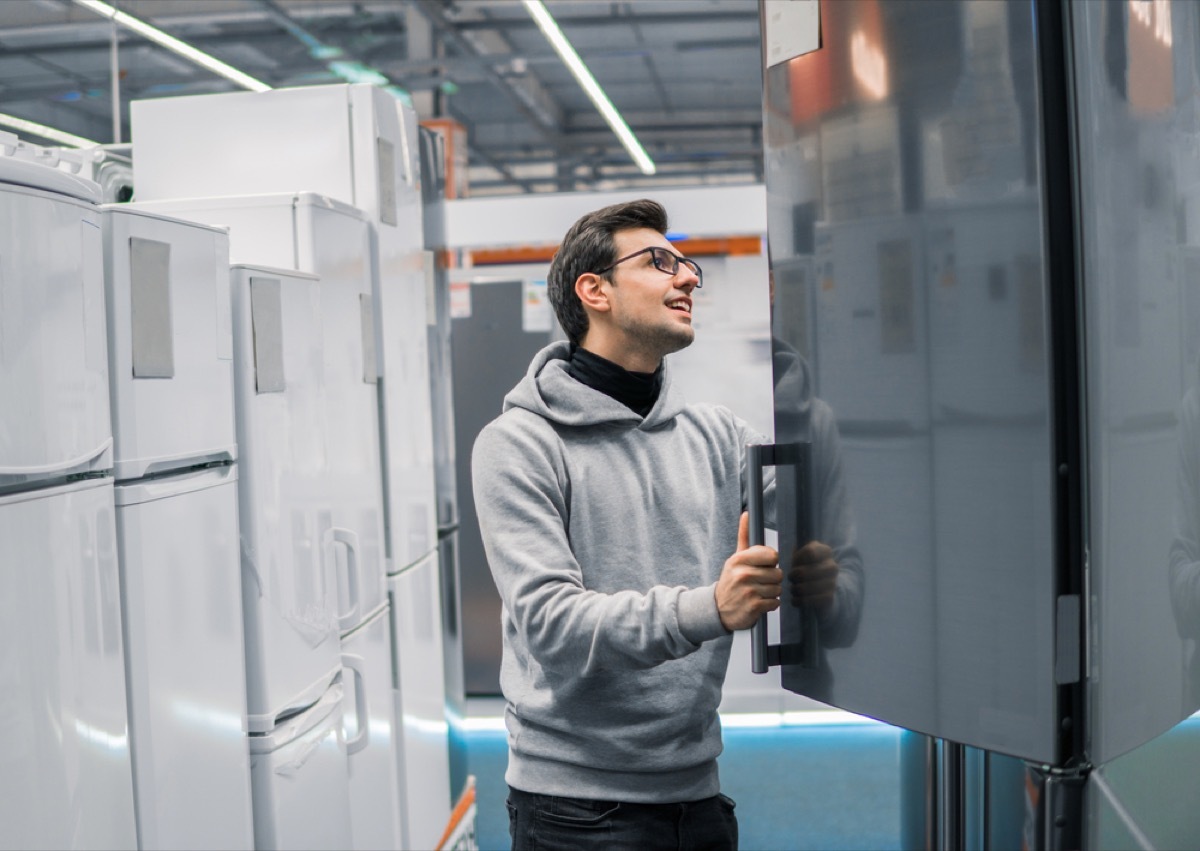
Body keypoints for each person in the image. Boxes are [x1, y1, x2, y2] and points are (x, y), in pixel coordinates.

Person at [471, 199, 852, 850]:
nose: (688, 278)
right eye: (660, 262)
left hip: (696, 792)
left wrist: (823, 569)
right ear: (594, 290)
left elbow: (816, 503)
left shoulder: (718, 436)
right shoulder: (519, 444)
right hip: (575, 811)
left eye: (687, 265)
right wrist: (713, 606)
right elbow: (554, 625)